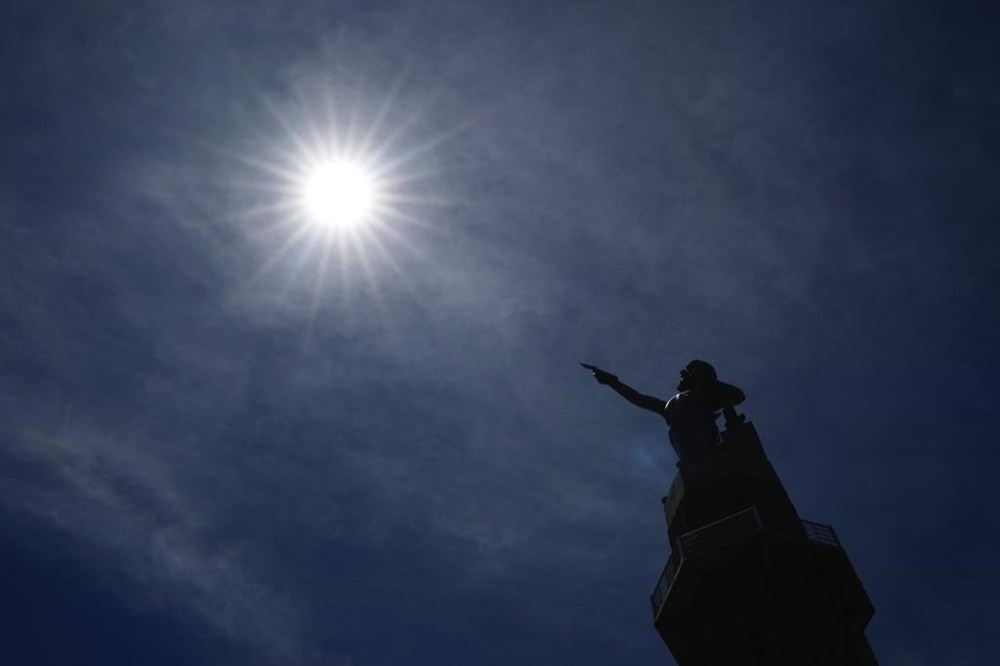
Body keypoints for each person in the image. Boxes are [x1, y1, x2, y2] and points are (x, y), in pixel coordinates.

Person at [583, 360, 745, 463]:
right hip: (688, 456)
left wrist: (708, 383)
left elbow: (736, 397)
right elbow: (638, 398)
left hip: (709, 450)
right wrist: (612, 382)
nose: (681, 373)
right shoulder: (671, 405)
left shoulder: (705, 396)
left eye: (688, 370)